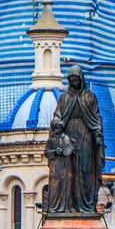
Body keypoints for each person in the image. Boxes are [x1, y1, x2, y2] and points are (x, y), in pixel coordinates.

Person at [50, 65, 105, 214]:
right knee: (70, 170)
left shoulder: (90, 97)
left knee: (86, 168)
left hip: (85, 134)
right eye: (72, 81)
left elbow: (96, 116)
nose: (74, 83)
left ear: (81, 80)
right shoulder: (64, 97)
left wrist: (98, 131)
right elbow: (58, 115)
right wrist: (56, 121)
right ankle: (70, 204)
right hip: (69, 134)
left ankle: (87, 205)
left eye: (76, 80)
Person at [43, 118, 74, 214]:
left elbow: (70, 149)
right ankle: (54, 207)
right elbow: (46, 152)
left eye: (59, 128)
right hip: (55, 166)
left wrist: (69, 149)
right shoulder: (51, 140)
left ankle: (65, 207)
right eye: (56, 128)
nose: (58, 130)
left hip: (65, 165)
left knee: (65, 184)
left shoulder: (66, 138)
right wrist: (54, 152)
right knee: (55, 185)